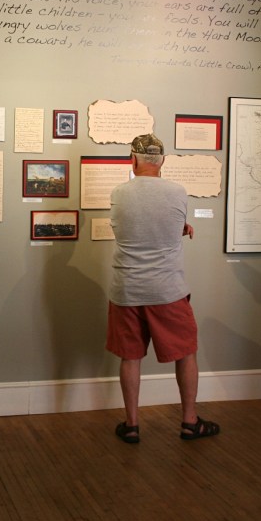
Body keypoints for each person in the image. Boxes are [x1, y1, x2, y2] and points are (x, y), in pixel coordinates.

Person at [105, 133, 219, 443]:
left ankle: (131, 425)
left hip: (127, 288)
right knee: (186, 353)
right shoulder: (178, 192)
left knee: (130, 357)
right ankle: (189, 421)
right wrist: (179, 230)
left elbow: (127, 231)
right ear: (163, 161)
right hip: (167, 289)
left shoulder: (118, 193)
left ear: (133, 160)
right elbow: (167, 226)